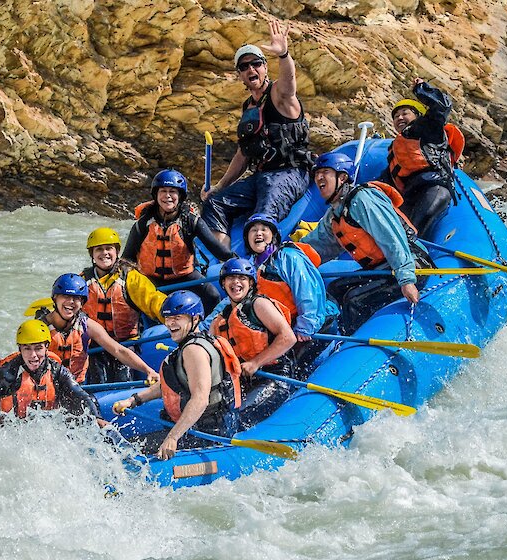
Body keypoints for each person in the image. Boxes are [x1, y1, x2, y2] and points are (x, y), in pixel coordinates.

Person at [200, 20, 314, 247]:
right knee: (215, 203)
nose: (251, 69)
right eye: (244, 67)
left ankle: (262, 263)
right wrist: (219, 187)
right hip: (261, 177)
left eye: (256, 64)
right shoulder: (248, 108)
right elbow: (243, 154)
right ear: (240, 75)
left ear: (264, 67)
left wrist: (283, 55)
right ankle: (224, 260)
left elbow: (289, 83)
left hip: (290, 173)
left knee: (265, 205)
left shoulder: (279, 94)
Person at [300, 153, 434, 334]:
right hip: (383, 270)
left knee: (354, 300)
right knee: (335, 289)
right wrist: (288, 256)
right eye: (316, 174)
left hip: (412, 266)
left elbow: (392, 239)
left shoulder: (363, 199)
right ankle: (334, 334)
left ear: (342, 177)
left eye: (325, 172)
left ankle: (353, 347)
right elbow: (316, 246)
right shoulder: (335, 214)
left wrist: (407, 280)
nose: (319, 178)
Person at [112, 291, 243, 460]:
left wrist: (173, 438)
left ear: (195, 319)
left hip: (205, 434)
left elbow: (200, 399)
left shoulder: (193, 350)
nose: (170, 323)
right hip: (204, 426)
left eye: (178, 318)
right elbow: (170, 384)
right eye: (168, 318)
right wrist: (134, 400)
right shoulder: (193, 343)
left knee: (125, 452)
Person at [122, 169, 233, 314]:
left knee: (212, 296)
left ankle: (208, 329)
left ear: (180, 196)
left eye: (172, 191)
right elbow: (127, 258)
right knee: (127, 298)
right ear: (156, 195)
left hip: (184, 277)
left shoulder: (191, 221)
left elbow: (218, 249)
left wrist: (236, 261)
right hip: (151, 280)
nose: (167, 196)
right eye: (163, 191)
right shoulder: (143, 224)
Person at [242, 213, 339, 376]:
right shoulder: (252, 270)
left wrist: (305, 327)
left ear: (273, 236)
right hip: (288, 329)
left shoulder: (287, 256)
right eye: (253, 230)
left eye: (264, 229)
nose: (258, 233)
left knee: (291, 369)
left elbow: (307, 291)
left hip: (316, 325)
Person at [209, 258, 297, 428]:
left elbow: (288, 337)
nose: (236, 283)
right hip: (242, 381)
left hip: (276, 375)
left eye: (241, 278)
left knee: (237, 419)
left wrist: (255, 363)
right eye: (230, 279)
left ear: (250, 282)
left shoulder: (259, 304)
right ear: (223, 284)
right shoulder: (218, 321)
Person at [34, 273, 160, 386]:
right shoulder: (39, 327)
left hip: (76, 387)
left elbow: (118, 350)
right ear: (55, 299)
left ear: (82, 302)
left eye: (77, 298)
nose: (71, 302)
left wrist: (148, 370)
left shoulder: (86, 325)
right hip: (45, 386)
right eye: (65, 296)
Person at [0, 319, 106, 425]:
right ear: (20, 349)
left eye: (38, 348)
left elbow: (80, 395)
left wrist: (97, 418)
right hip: (12, 432)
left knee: (91, 401)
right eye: (27, 349)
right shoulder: (6, 374)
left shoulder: (56, 371)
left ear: (47, 347)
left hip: (47, 428)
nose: (33, 355)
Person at [82, 227, 167, 384]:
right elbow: (68, 306)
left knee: (123, 378)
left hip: (127, 343)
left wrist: (169, 312)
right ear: (92, 255)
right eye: (99, 249)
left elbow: (152, 299)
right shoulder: (83, 280)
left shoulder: (130, 277)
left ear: (117, 251)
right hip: (97, 346)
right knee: (98, 380)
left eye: (109, 248)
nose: (104, 253)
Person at [379, 77, 460, 236]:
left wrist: (422, 89)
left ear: (417, 115)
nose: (400, 118)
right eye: (396, 116)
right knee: (393, 234)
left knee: (408, 234)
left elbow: (442, 106)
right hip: (409, 195)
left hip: (433, 187)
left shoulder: (428, 127)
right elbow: (387, 179)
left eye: (405, 113)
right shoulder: (394, 148)